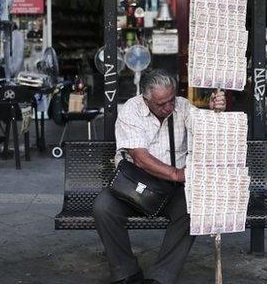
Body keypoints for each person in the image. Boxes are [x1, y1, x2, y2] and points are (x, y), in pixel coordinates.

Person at [92, 69, 226, 284]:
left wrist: (214, 111)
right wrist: (176, 173)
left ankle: (161, 277)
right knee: (103, 207)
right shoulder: (131, 110)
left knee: (192, 210)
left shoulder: (182, 106)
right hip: (135, 186)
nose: (168, 107)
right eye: (161, 104)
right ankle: (126, 272)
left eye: (171, 100)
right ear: (146, 99)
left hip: (172, 190)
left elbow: (207, 131)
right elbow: (140, 158)